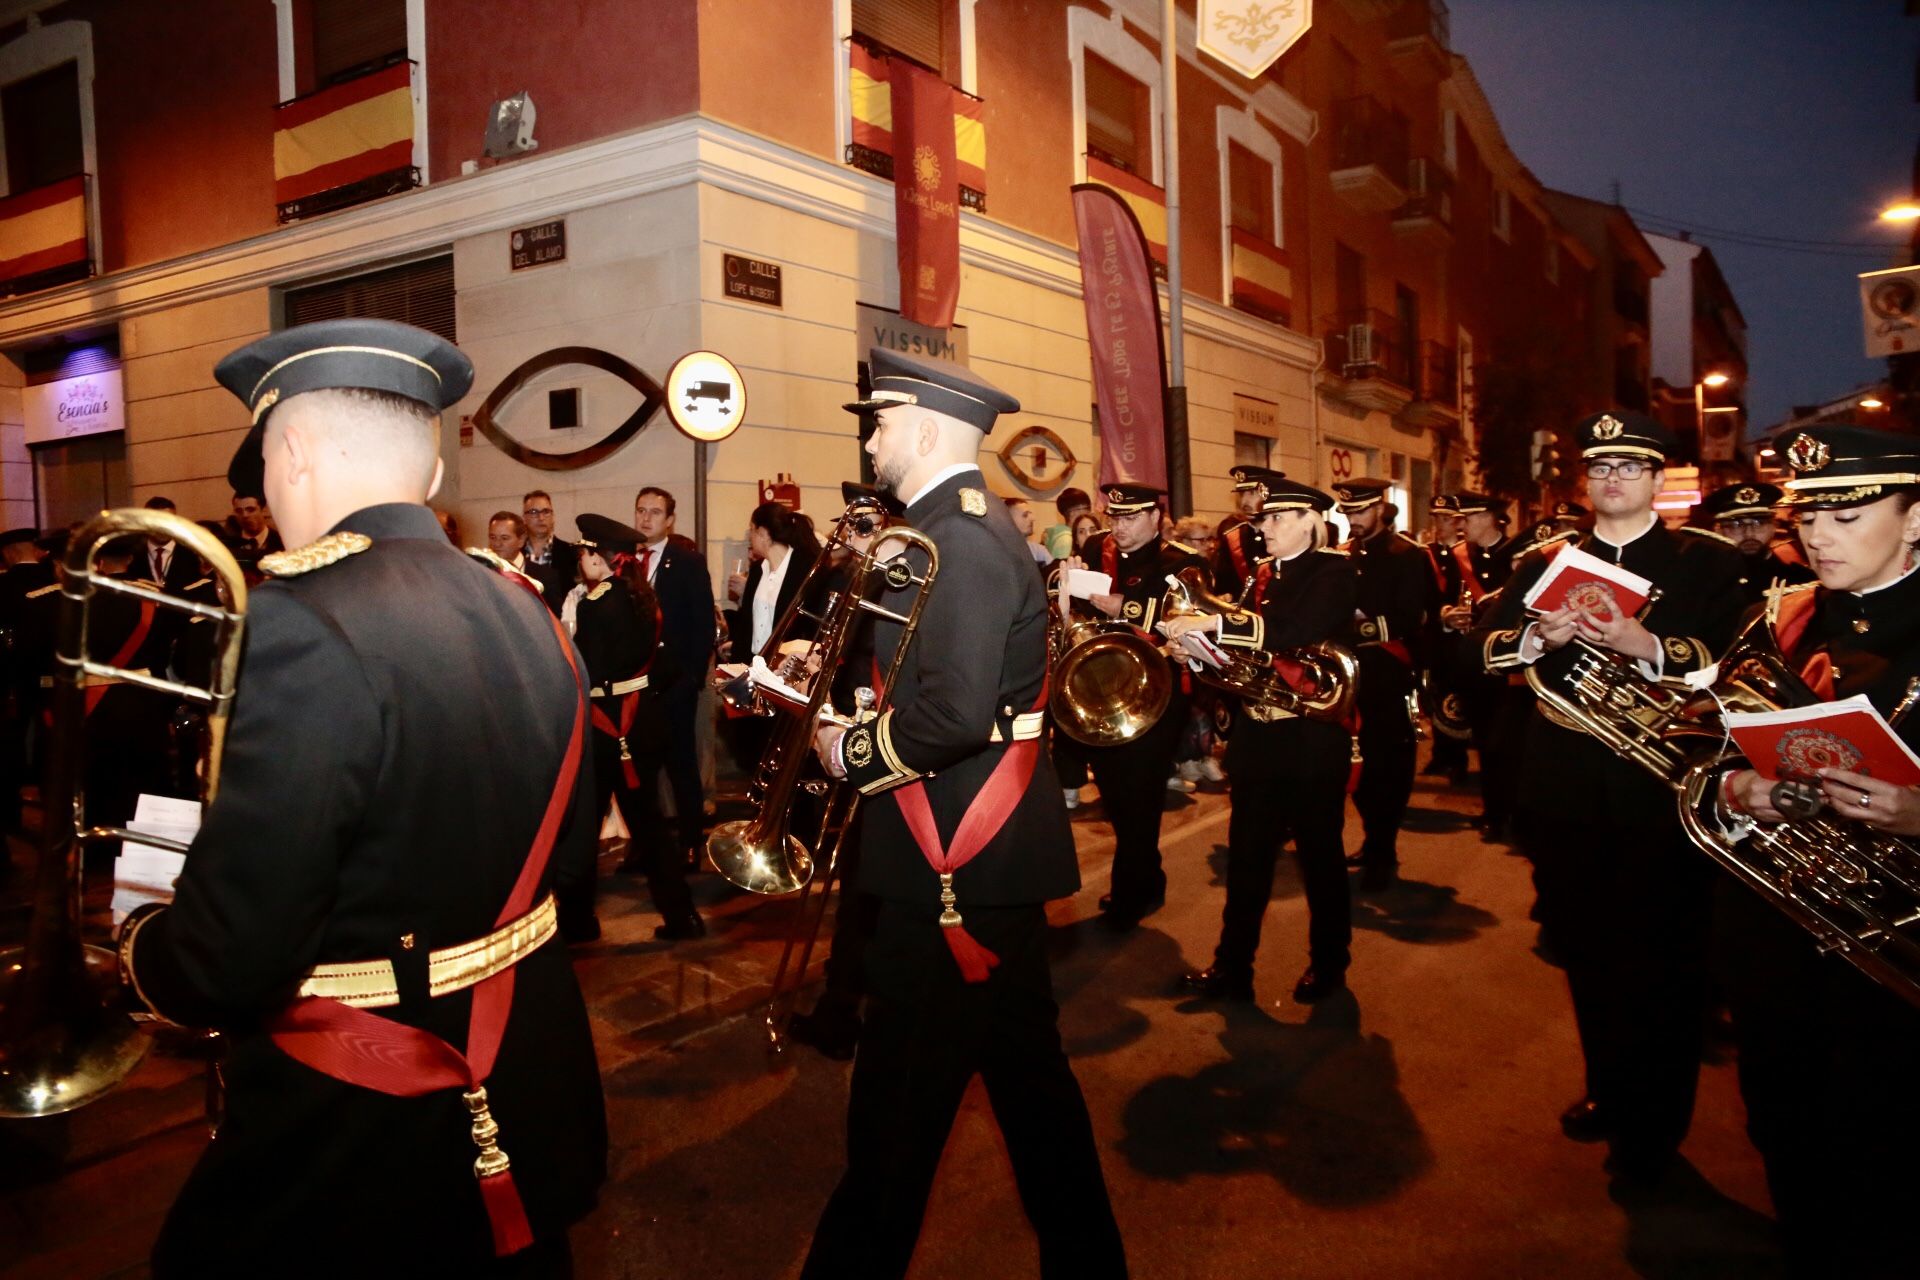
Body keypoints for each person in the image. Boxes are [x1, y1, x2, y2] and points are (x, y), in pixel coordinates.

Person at [116, 318, 606, 1274]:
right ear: (428, 476)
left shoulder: (301, 622)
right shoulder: (525, 609)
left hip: (365, 1127)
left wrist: (143, 947)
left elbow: (232, 959)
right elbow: (574, 856)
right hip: (528, 1081)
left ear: (288, 452)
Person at [806, 347, 1126, 1278]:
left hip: (955, 861)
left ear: (930, 427)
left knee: (893, 1124)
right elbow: (931, 686)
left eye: (880, 420)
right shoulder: (941, 531)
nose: (870, 436)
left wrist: (845, 751)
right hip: (974, 867)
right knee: (1032, 1097)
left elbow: (950, 715)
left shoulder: (962, 540)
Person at [1475, 408, 1746, 1183]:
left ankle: (1655, 1130)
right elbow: (1483, 650)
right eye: (1600, 468)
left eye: (1630, 467)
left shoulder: (1702, 562)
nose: (1613, 480)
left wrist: (1648, 645)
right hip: (1562, 789)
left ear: (1659, 481)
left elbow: (1733, 664)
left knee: (1662, 964)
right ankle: (1610, 1088)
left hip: (1657, 790)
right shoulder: (1543, 563)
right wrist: (1537, 640)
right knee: (1586, 953)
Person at [1706, 424, 1920, 1273]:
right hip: (1781, 938)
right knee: (1783, 1121)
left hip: (1900, 959)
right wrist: (1736, 789)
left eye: (1848, 511)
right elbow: (1713, 749)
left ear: (1915, 519)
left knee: (1889, 1151)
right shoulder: (1782, 617)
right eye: (1808, 514)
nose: (1817, 534)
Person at [1168, 478, 1358, 1004]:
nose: (1263, 527)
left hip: (1312, 740)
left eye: (1276, 519)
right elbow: (1245, 658)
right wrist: (1199, 653)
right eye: (1264, 518)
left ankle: (1329, 965)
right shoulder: (1262, 575)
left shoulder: (1335, 572)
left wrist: (1214, 622)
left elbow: (1292, 629)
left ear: (1309, 522)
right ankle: (1232, 967)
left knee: (1321, 859)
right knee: (1247, 860)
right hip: (1259, 737)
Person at [785, 480, 900, 1061]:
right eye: (849, 526)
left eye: (862, 527)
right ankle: (844, 998)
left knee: (863, 890)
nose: (850, 538)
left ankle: (847, 1011)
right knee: (857, 888)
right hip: (848, 738)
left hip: (879, 749)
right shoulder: (850, 577)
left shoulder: (898, 584)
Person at [1065, 483, 1208, 928]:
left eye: (1129, 519)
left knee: (1140, 796)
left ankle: (1130, 894)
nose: (1119, 527)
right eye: (1114, 517)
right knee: (1115, 793)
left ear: (1154, 518)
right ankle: (1148, 878)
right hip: (1103, 688)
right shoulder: (1095, 548)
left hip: (1157, 693)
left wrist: (1125, 606)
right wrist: (1065, 584)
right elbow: (1075, 607)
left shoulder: (1183, 562)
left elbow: (1194, 619)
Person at [566, 513, 704, 942]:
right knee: (651, 825)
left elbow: (591, 668)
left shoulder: (596, 603)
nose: (581, 559)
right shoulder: (640, 595)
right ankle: (682, 916)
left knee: (582, 828)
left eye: (585, 552)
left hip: (610, 725)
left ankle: (576, 920)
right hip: (641, 717)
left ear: (599, 557)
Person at [1335, 478, 1438, 890]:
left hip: (1387, 671)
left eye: (1359, 512)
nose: (1353, 521)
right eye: (1347, 513)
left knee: (1388, 766)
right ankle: (1371, 839)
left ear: (1380, 508)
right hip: (1348, 674)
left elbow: (1416, 615)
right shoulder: (1343, 555)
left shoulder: (1407, 555)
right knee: (1353, 762)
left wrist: (1357, 627)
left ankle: (1384, 847)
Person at [633, 485, 717, 861]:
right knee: (639, 773)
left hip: (674, 684)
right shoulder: (624, 561)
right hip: (635, 686)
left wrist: (691, 680)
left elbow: (703, 628)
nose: (645, 518)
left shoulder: (686, 563)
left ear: (669, 520)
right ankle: (643, 846)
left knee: (682, 765)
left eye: (654, 512)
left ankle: (689, 843)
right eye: (640, 510)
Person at [1442, 493, 1524, 839]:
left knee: (1510, 745)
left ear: (1492, 518)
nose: (1462, 525)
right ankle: (1494, 811)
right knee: (1486, 743)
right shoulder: (1459, 557)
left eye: (1470, 518)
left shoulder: (1520, 557)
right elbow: (1442, 601)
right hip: (1476, 664)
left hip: (1510, 665)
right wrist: (1448, 616)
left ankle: (1517, 814)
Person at [1697, 480, 1814, 606]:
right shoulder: (1706, 583)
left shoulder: (1801, 580)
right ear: (1719, 529)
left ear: (1774, 526)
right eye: (1737, 525)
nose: (1749, 533)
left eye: (1759, 523)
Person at [1211, 466, 1282, 602]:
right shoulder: (1231, 537)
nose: (1245, 501)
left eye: (1252, 493)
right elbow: (1222, 586)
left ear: (1269, 495)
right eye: (1242, 494)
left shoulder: (1284, 535)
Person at [516, 489, 575, 614]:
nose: (541, 517)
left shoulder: (570, 553)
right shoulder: (514, 554)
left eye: (546, 512)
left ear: (553, 516)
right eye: (533, 512)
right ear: (524, 518)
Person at [1042, 486, 1092, 561]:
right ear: (1073, 513)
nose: (1090, 513)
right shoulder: (1067, 540)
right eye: (1087, 508)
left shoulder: (1060, 535)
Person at [1004, 496, 1052, 566]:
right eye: (1025, 515)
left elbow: (1053, 569)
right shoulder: (999, 551)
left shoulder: (1038, 550)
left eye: (1030, 514)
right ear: (1008, 519)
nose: (1032, 518)